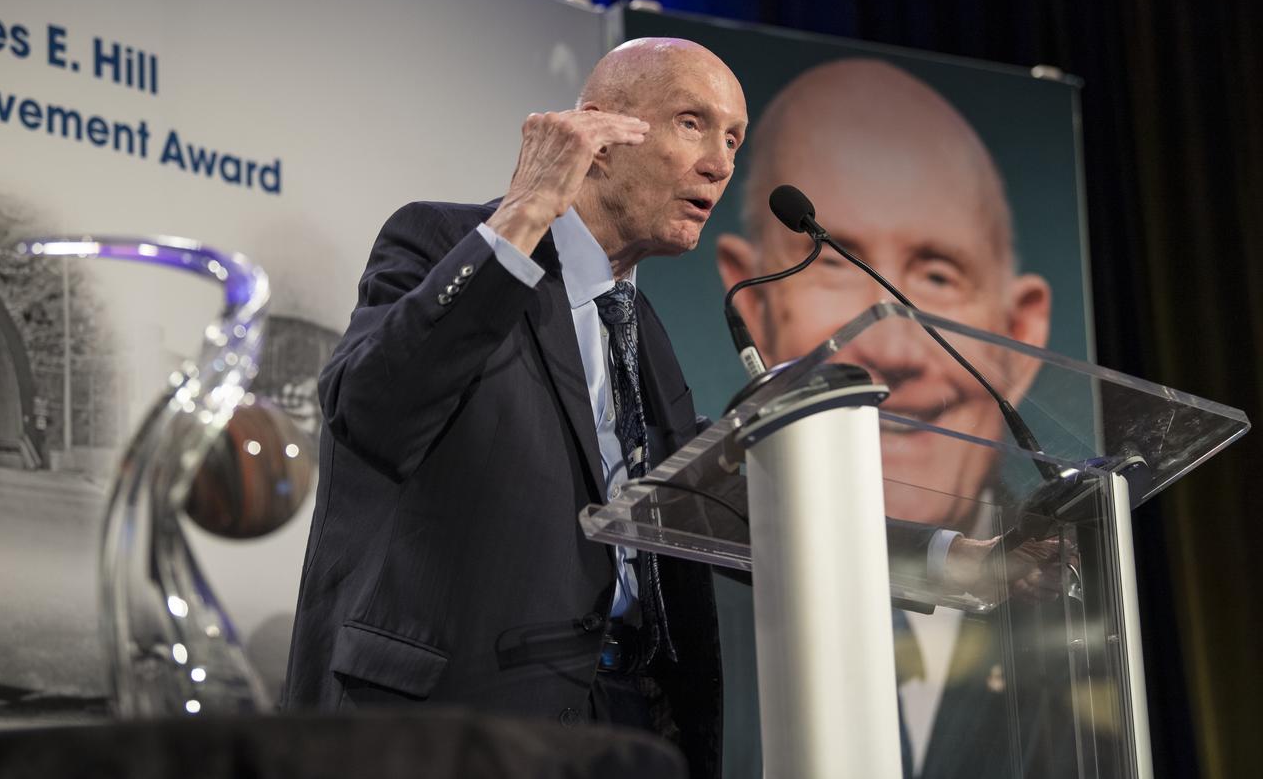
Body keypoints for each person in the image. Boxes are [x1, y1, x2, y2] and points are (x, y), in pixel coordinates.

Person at [282, 38, 749, 779]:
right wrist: (526, 210)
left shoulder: (643, 330)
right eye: (693, 123)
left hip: (633, 727)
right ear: (595, 132)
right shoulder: (441, 241)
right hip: (455, 724)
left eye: (733, 138)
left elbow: (712, 509)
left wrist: (952, 555)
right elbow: (370, 410)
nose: (720, 163)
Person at [716, 58, 1075, 778]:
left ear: (1022, 328)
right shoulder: (703, 590)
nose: (893, 350)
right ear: (754, 304)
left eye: (939, 272)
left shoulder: (1073, 621)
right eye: (833, 262)